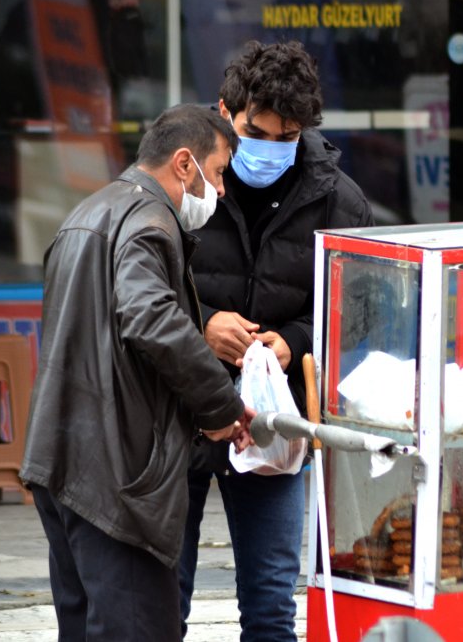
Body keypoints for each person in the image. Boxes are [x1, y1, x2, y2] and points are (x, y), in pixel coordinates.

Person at [20, 103, 256, 642]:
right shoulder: (149, 223)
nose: (220, 191)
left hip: (62, 460)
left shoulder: (87, 213)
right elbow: (151, 317)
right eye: (218, 173)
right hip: (115, 477)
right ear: (183, 164)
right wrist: (220, 406)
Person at [178, 40, 374, 640]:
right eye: (256, 133)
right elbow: (141, 290)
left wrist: (294, 341)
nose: (270, 148)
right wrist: (205, 322)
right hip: (181, 414)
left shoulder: (337, 199)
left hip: (275, 423)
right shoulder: (188, 183)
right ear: (224, 113)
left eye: (287, 136)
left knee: (270, 604)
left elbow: (360, 312)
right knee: (162, 601)